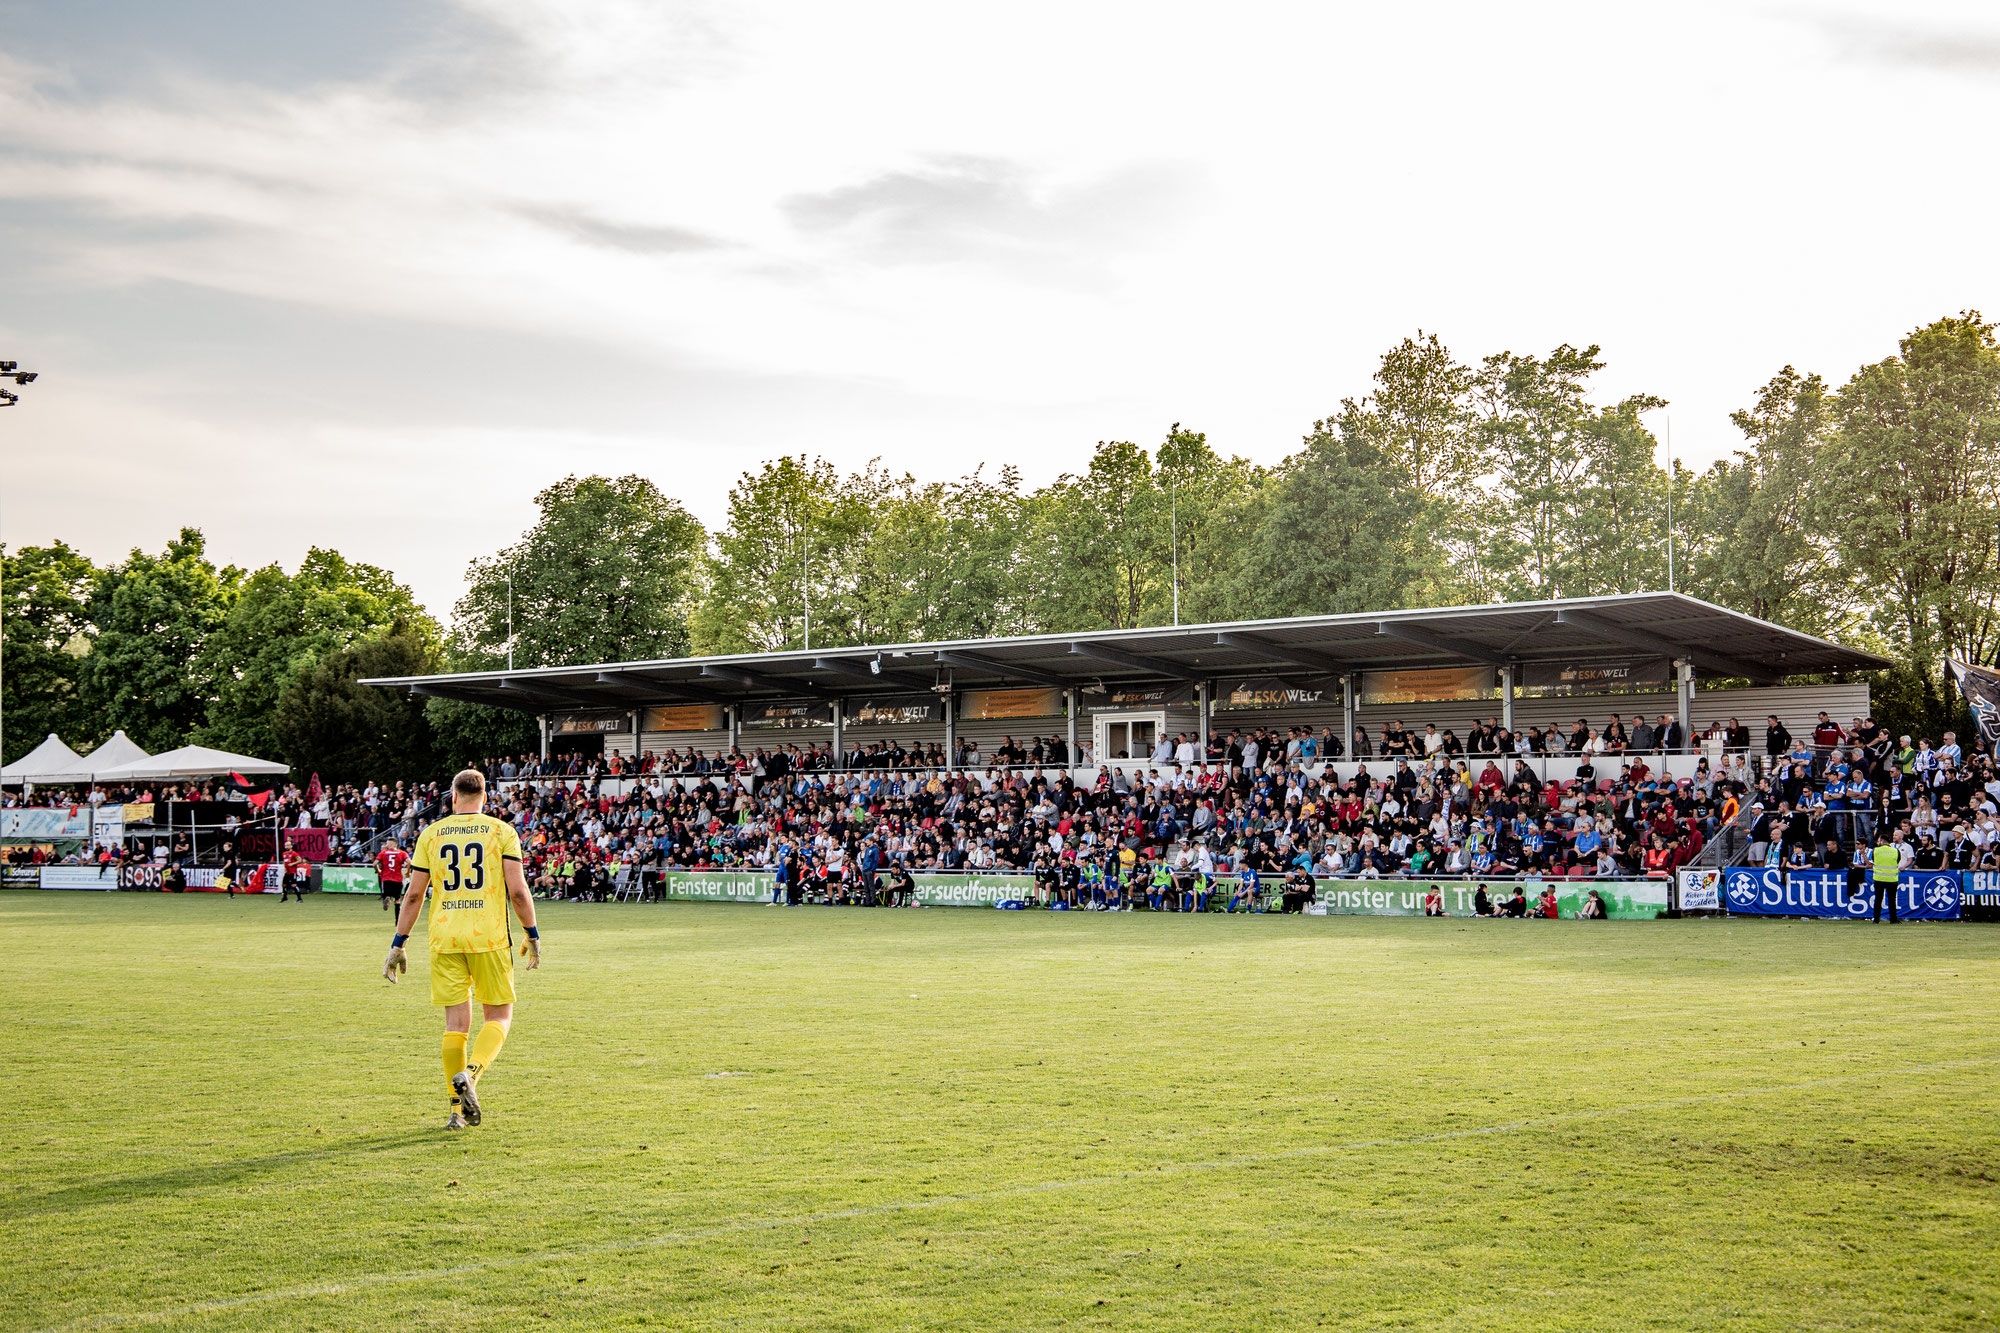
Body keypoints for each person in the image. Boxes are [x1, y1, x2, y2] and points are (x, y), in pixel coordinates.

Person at [382, 769, 543, 1130]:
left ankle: (456, 1112)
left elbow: (413, 895)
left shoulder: (431, 833)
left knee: (455, 1025)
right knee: (499, 1016)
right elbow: (517, 891)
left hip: (445, 939)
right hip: (488, 937)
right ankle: (472, 1073)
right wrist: (531, 933)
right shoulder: (502, 831)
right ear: (484, 798)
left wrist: (398, 943)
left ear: (453, 797)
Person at [1868, 832, 1900, 924]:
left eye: (1879, 841)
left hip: (1879, 879)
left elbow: (1873, 860)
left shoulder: (1876, 850)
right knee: (1892, 900)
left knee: (1878, 899)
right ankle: (1893, 919)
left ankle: (1876, 919)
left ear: (1882, 841)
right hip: (1892, 879)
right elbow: (1898, 861)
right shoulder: (1895, 851)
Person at [376, 837, 409, 913]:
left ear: (391, 844)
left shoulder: (383, 853)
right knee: (397, 900)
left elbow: (374, 863)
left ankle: (387, 898)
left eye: (387, 843)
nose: (386, 845)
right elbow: (409, 862)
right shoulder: (402, 853)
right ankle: (397, 921)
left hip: (386, 878)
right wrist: (408, 871)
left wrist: (378, 870)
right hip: (398, 879)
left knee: (386, 894)